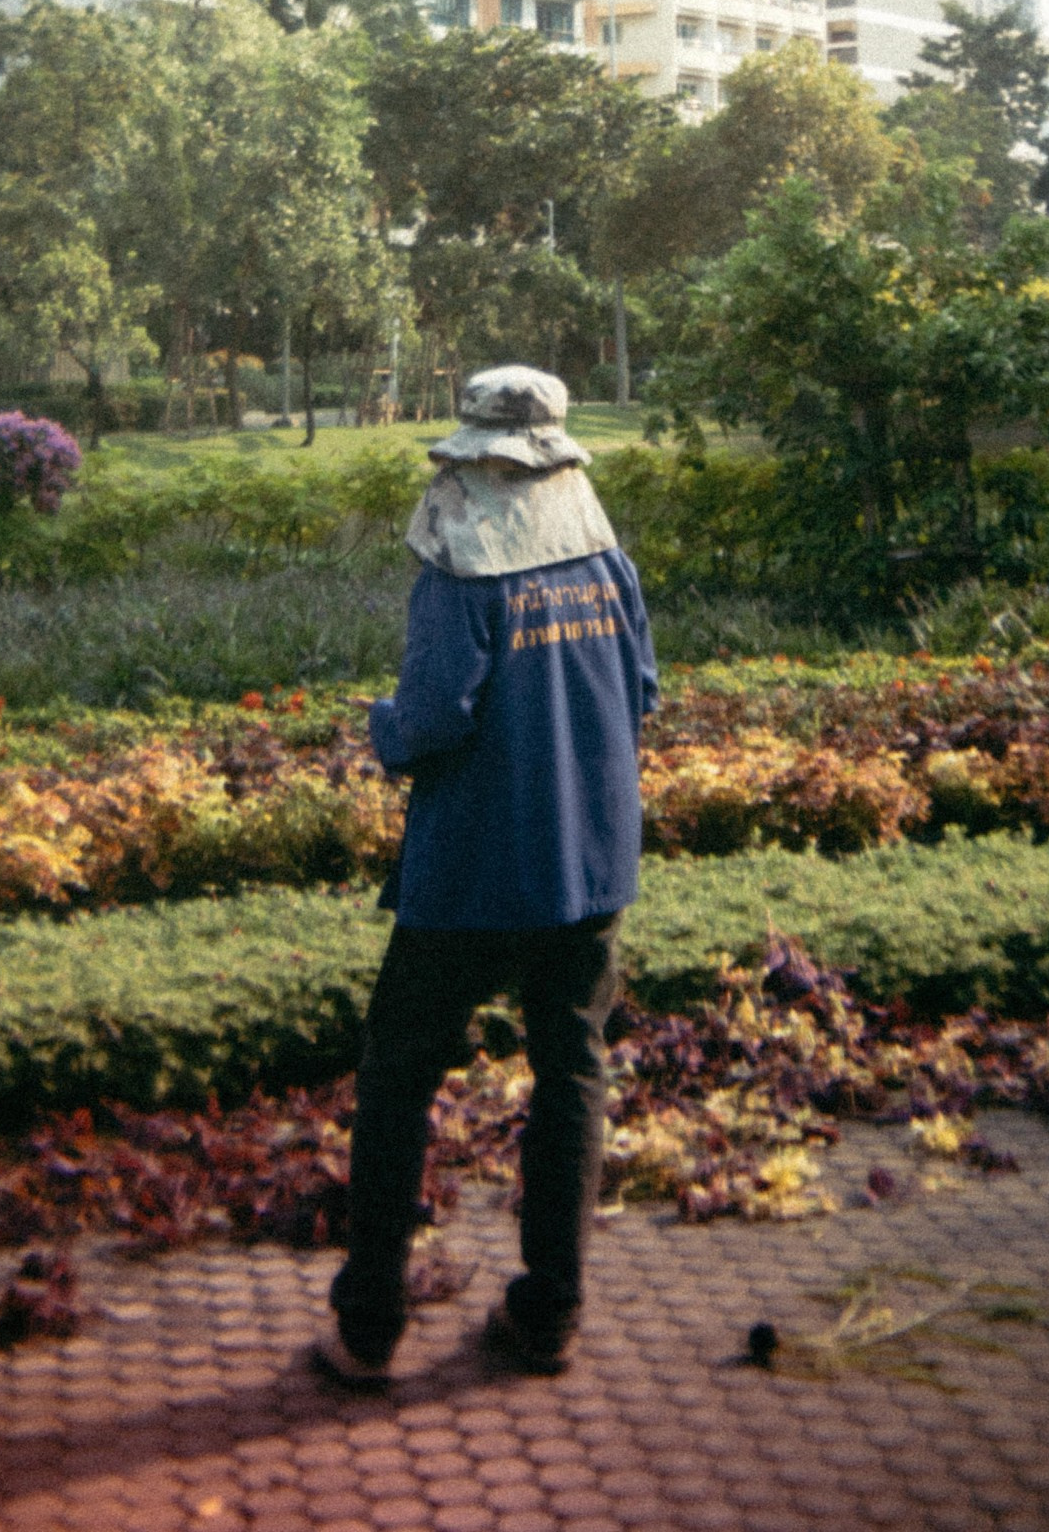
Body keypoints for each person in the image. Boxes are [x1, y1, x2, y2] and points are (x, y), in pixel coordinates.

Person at [313, 365, 657, 1388]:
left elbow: (426, 722)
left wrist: (377, 725)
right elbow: (638, 691)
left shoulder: (459, 578)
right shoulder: (608, 568)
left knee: (396, 1076)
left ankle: (369, 1324)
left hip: (471, 873)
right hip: (588, 867)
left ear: (471, 459)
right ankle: (550, 1313)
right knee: (572, 1073)